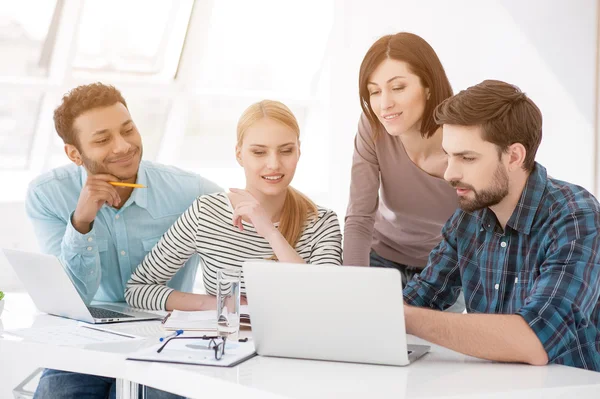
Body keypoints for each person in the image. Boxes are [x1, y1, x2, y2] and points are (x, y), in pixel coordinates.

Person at [26, 83, 221, 398]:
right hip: (84, 339)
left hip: (166, 337)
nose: (123, 146)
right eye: (103, 139)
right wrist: (82, 222)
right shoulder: (47, 195)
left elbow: (240, 236)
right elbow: (71, 298)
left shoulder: (191, 191)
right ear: (75, 153)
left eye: (128, 130)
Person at [403, 79, 600, 371]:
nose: (449, 173)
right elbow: (423, 297)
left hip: (569, 389)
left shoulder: (576, 216)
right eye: (449, 155)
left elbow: (535, 340)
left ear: (514, 156)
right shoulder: (469, 217)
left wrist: (401, 317)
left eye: (467, 158)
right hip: (497, 387)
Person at [125, 100, 343, 311]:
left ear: (299, 151)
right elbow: (137, 289)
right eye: (259, 152)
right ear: (239, 154)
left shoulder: (322, 223)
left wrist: (270, 233)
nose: (274, 164)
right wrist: (218, 304)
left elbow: (326, 301)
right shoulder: (206, 213)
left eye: (286, 151)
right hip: (222, 346)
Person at [343, 32, 460, 300]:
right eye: (374, 91)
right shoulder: (372, 126)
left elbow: (480, 231)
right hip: (381, 258)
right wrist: (352, 290)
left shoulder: (463, 136)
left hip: (444, 269)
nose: (385, 104)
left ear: (428, 86)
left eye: (398, 87)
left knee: (424, 342)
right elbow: (360, 216)